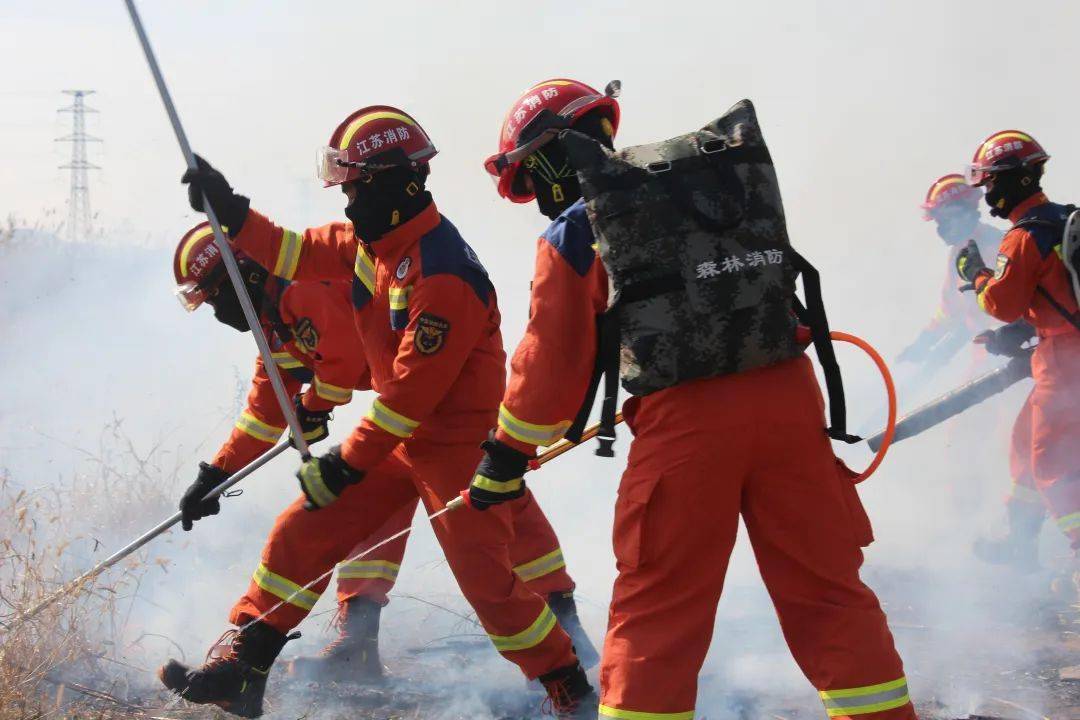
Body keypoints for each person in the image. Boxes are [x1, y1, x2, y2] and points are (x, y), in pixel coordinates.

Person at [473, 78, 917, 719]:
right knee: (829, 595)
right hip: (792, 402)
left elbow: (548, 369)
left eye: (529, 179)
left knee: (658, 612)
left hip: (688, 428)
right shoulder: (712, 187)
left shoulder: (579, 230)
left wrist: (505, 457)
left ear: (547, 157)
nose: (536, 198)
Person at [160, 105, 593, 718]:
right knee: (302, 529)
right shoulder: (370, 245)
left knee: (493, 592)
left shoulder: (445, 276)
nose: (347, 201)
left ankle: (568, 687)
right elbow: (288, 250)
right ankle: (246, 663)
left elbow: (409, 399)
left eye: (356, 186)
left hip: (454, 449)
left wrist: (344, 462)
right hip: (402, 440)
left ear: (399, 181)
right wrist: (231, 212)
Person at [956, 130, 1080, 565]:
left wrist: (975, 275)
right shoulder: (1064, 219)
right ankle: (1020, 541)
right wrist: (1019, 336)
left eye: (992, 182)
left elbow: (1001, 303)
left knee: (1052, 464)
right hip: (1061, 353)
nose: (989, 192)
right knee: (1025, 441)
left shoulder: (1023, 237)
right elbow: (1054, 296)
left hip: (1066, 363)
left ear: (1017, 181)